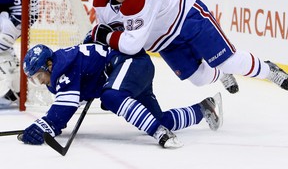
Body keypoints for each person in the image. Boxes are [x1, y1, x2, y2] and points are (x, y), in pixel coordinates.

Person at [88, 0, 288, 95]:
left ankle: (268, 70)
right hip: (164, 40)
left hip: (187, 17)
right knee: (199, 79)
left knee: (228, 61)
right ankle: (220, 74)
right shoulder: (101, 0)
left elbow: (131, 44)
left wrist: (104, 36)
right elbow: (109, 30)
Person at [19, 43, 223, 148]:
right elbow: (67, 105)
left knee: (111, 97)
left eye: (39, 76)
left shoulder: (64, 68)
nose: (41, 82)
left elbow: (64, 108)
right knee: (157, 119)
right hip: (133, 70)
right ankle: (204, 108)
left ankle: (161, 134)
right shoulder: (63, 63)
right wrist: (51, 126)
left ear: (49, 65)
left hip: (130, 63)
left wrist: (45, 126)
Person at [0, 0, 38, 108]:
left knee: (2, 46)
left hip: (22, 11)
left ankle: (8, 91)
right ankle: (17, 90)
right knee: (4, 49)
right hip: (15, 10)